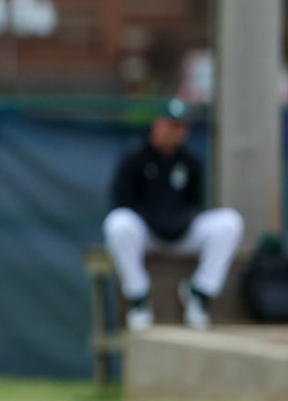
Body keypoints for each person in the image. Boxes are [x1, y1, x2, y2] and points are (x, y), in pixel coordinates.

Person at [103, 98, 243, 330]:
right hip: (147, 235)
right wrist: (155, 220)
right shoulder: (135, 157)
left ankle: (199, 293)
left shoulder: (191, 161)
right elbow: (122, 201)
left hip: (182, 234)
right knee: (117, 223)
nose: (176, 132)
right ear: (158, 125)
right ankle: (138, 298)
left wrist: (179, 222)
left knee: (230, 222)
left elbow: (196, 204)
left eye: (181, 126)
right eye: (171, 125)